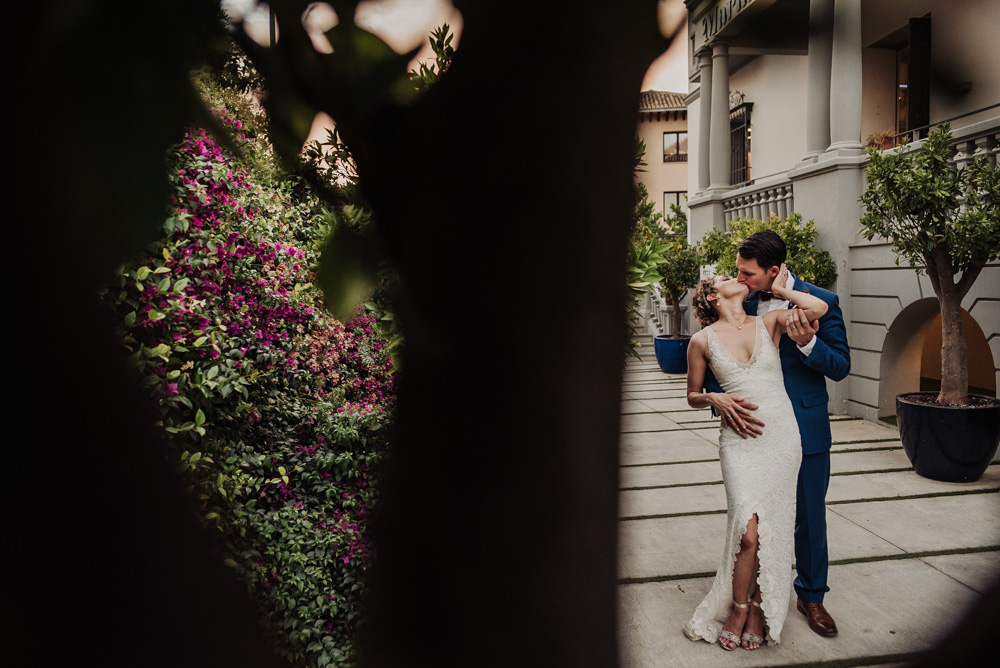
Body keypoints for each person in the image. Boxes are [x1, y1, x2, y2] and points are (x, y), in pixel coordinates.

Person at [705, 230, 851, 639]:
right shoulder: (739, 300)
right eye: (738, 270)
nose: (740, 278)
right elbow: (714, 359)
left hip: (804, 428)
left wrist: (808, 345)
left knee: (809, 515)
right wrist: (720, 399)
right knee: (754, 517)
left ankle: (811, 596)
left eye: (747, 273)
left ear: (773, 271)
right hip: (753, 430)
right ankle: (751, 598)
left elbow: (840, 366)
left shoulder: (823, 301)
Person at [682, 265, 828, 650]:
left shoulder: (770, 322)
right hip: (739, 442)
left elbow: (817, 308)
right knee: (747, 535)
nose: (738, 278)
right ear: (713, 296)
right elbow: (692, 394)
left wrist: (782, 289)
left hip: (782, 437)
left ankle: (760, 607)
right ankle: (737, 605)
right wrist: (714, 397)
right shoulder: (701, 340)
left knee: (774, 527)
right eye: (727, 278)